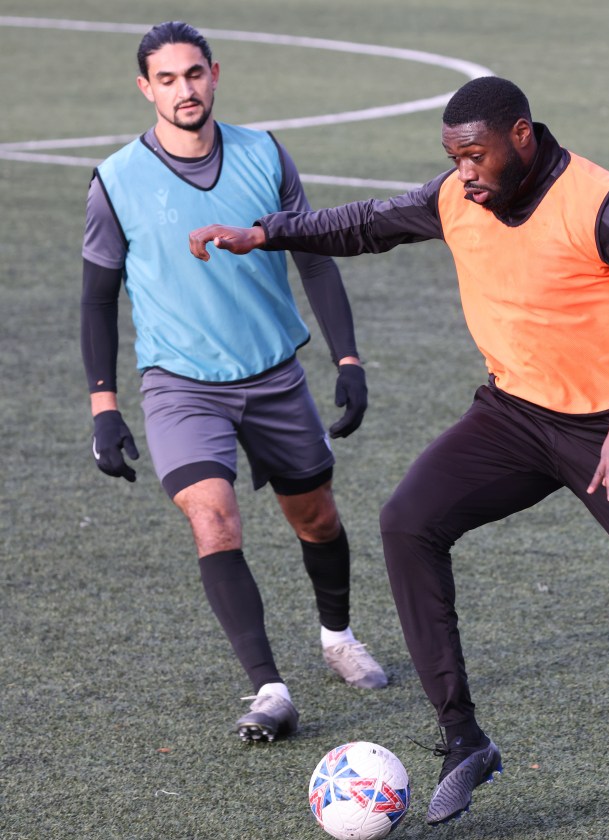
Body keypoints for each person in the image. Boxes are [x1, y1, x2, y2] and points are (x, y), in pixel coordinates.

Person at [188, 76, 609, 820]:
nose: (465, 172)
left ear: (522, 136)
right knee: (407, 522)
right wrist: (266, 232)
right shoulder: (457, 195)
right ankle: (463, 740)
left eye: (475, 155)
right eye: (454, 158)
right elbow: (368, 223)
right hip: (511, 416)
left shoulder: (606, 205)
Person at [81, 21, 388, 744]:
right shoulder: (117, 180)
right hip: (181, 385)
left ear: (215, 75)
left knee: (316, 517)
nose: (183, 90)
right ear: (144, 88)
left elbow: (314, 255)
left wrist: (347, 360)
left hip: (276, 376)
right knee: (213, 518)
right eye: (167, 79)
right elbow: (97, 298)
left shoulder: (265, 152)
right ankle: (270, 689)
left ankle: (337, 636)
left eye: (194, 75)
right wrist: (104, 406)